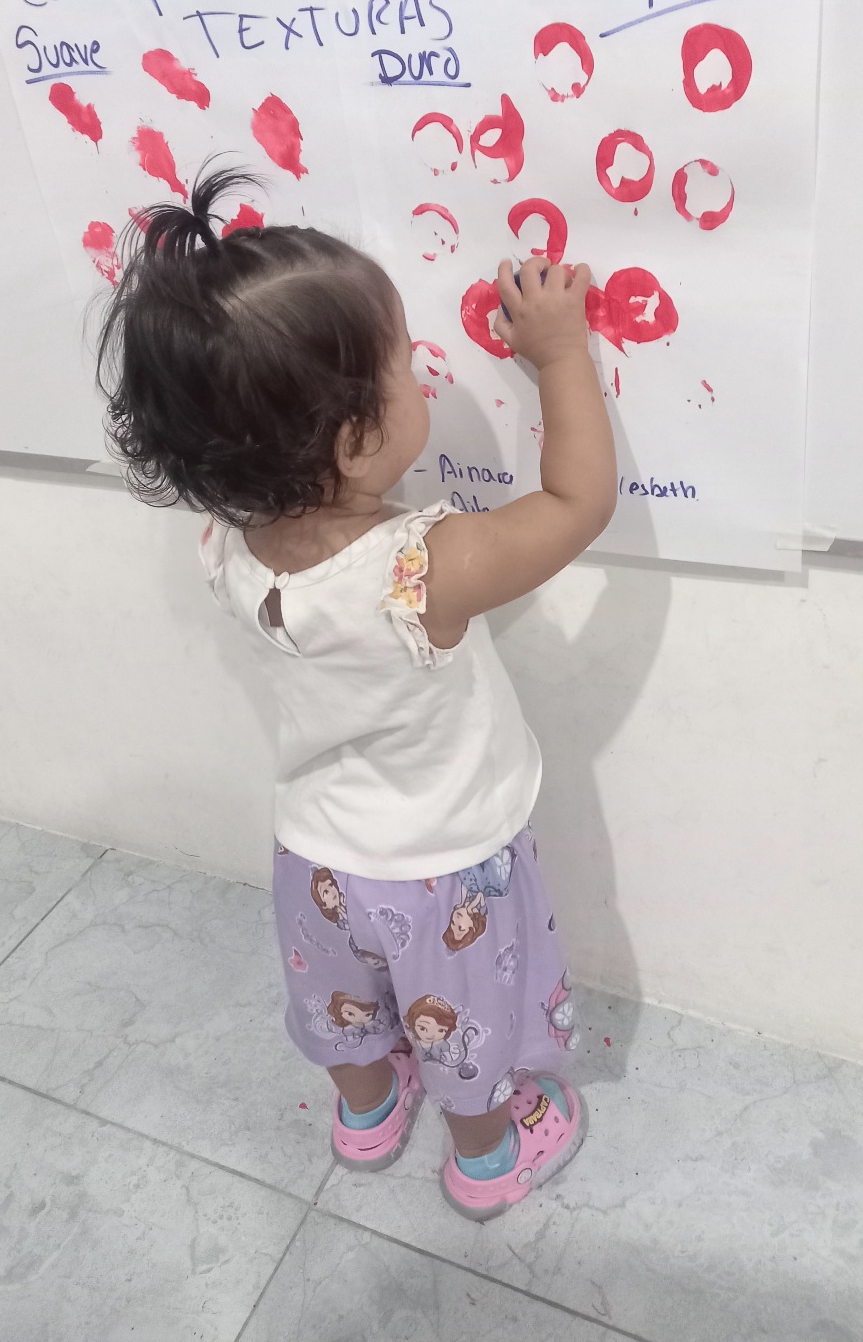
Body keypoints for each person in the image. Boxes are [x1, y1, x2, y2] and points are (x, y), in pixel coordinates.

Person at [97, 167, 617, 1219]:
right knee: (462, 1026)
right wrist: (561, 353)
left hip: (316, 855)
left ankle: (368, 1111)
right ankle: (486, 1159)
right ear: (353, 439)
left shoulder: (226, 544)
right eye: (405, 367)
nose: (423, 375)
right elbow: (576, 503)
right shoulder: (421, 572)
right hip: (442, 869)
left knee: (344, 1007)